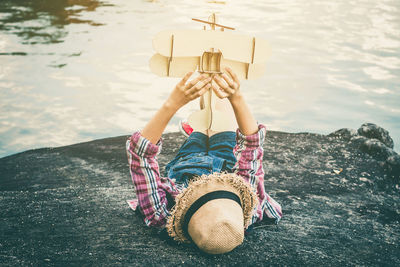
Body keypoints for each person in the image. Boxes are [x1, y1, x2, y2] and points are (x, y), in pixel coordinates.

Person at [126, 67, 282, 254]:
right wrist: (236, 98)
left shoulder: (161, 215)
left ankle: (200, 129)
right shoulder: (249, 208)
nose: (208, 182)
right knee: (219, 99)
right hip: (227, 159)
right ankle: (205, 120)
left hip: (189, 160)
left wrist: (173, 103)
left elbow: (140, 154)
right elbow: (251, 147)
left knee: (209, 112)